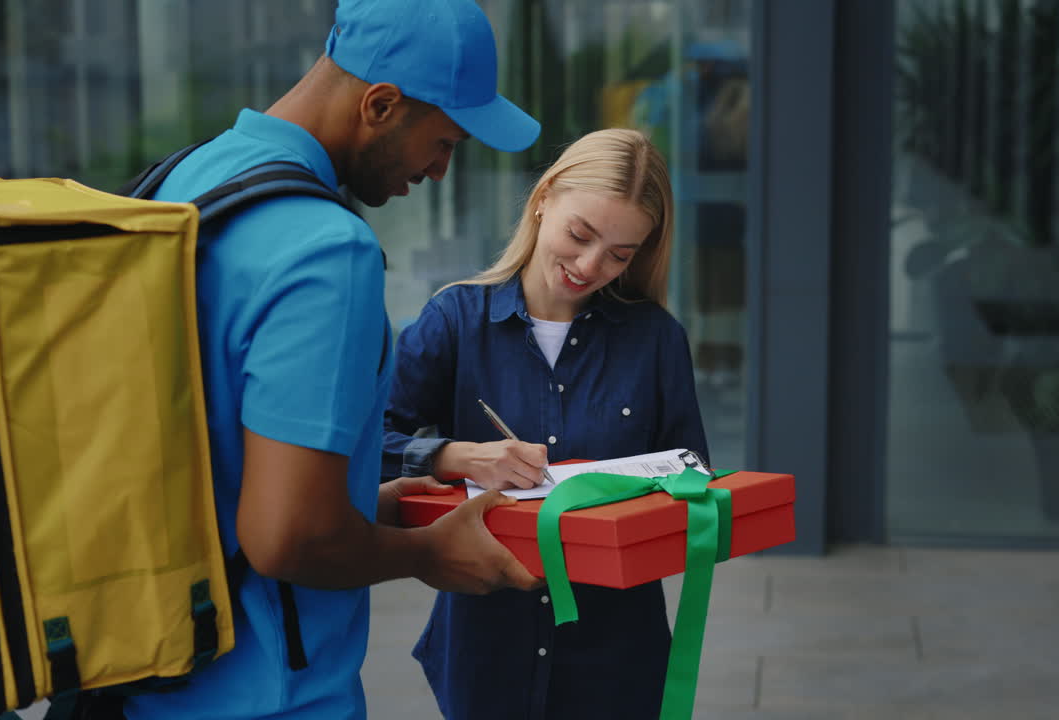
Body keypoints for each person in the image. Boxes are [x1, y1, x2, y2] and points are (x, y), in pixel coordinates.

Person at [121, 1, 544, 719]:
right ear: (381, 104)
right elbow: (287, 537)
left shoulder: (187, 178)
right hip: (266, 696)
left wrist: (390, 506)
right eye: (444, 141)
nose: (441, 171)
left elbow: (224, 461)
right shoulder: (327, 251)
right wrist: (427, 555)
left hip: (146, 670)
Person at [383, 128, 710, 720]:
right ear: (544, 198)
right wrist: (454, 455)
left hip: (616, 647)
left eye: (620, 254)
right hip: (487, 641)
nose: (590, 266)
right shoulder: (455, 321)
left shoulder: (657, 340)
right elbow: (367, 450)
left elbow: (692, 480)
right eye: (580, 235)